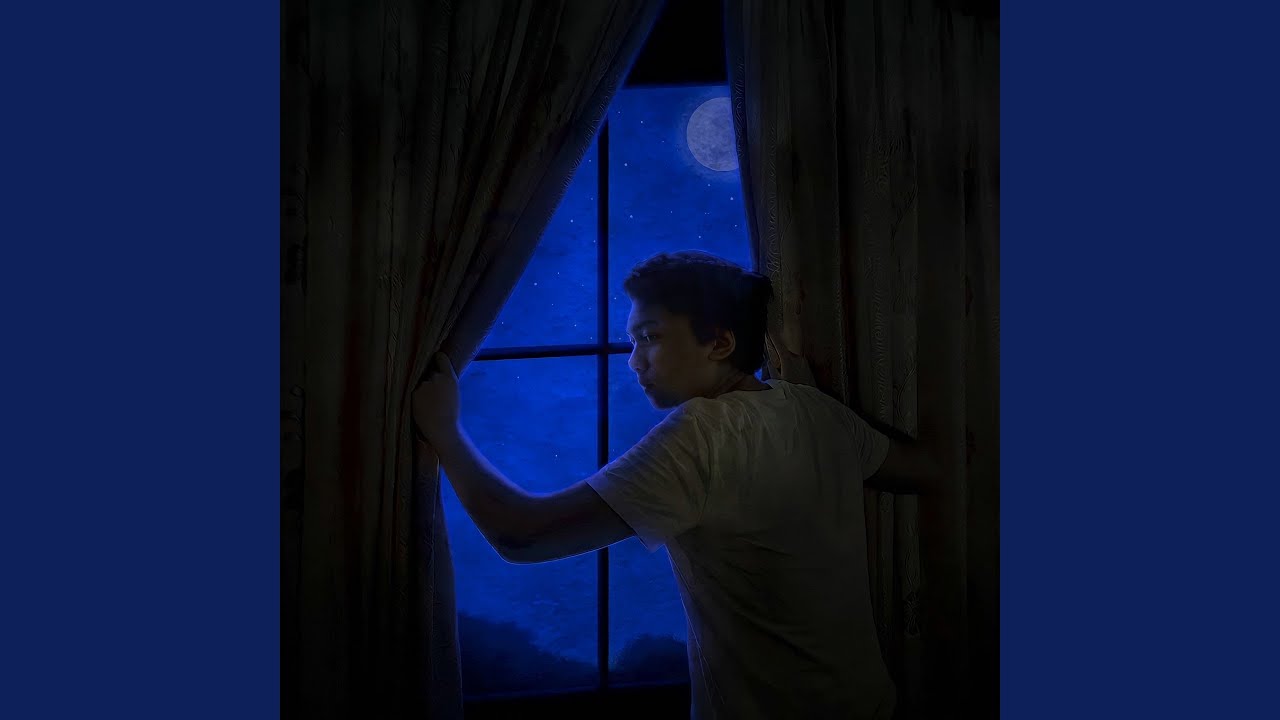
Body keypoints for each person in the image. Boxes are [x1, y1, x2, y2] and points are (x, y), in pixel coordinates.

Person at [413, 250, 941, 719]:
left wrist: (445, 432)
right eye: (633, 341)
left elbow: (522, 535)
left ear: (721, 343)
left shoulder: (702, 434)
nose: (634, 361)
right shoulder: (815, 409)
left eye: (650, 337)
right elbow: (921, 469)